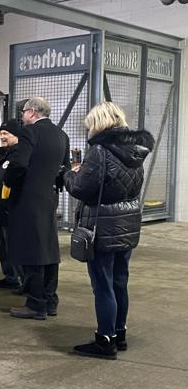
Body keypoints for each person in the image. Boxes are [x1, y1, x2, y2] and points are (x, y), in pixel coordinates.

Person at [64, 102, 153, 359]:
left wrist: (70, 174)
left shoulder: (99, 151)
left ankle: (105, 341)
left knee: (102, 285)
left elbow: (82, 188)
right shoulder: (137, 151)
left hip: (102, 225)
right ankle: (119, 333)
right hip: (127, 224)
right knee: (119, 282)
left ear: (99, 123)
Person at [5, 97, 70, 320]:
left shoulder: (29, 133)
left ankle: (35, 303)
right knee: (49, 249)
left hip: (28, 198)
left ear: (32, 112)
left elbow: (20, 163)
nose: (22, 116)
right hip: (49, 198)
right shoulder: (62, 135)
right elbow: (65, 169)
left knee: (32, 250)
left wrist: (8, 181)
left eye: (24, 112)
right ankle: (50, 300)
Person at [0, 119, 24, 290]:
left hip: (12, 211)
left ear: (16, 135)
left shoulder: (19, 156)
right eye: (1, 134)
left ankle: (25, 282)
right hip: (0, 210)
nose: (2, 137)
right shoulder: (4, 155)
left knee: (14, 247)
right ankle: (10, 277)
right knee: (2, 247)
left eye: (6, 134)